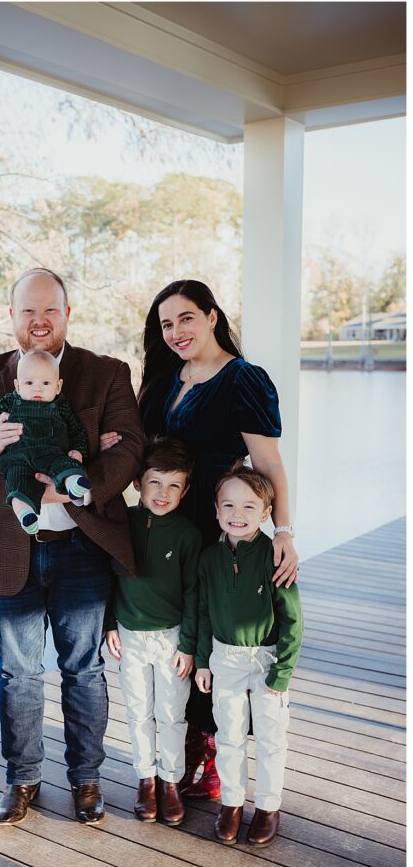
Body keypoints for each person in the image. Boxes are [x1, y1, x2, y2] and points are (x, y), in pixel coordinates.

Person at [0, 267, 144, 826]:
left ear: (67, 313)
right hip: (9, 553)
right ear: (12, 316)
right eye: (28, 310)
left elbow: (130, 447)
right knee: (19, 673)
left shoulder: (105, 374)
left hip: (84, 549)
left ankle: (86, 780)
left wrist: (77, 483)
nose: (39, 321)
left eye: (49, 309)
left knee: (83, 670)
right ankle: (22, 779)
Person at [132, 279, 300, 801]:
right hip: (165, 520)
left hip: (215, 522)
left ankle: (210, 748)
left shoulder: (244, 379)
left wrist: (283, 531)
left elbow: (268, 463)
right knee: (175, 634)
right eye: (166, 324)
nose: (176, 332)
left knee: (209, 630)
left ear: (211, 316)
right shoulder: (165, 378)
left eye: (186, 318)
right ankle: (177, 743)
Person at [195, 462, 303, 847]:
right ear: (216, 510)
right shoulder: (210, 558)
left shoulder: (274, 555)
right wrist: (203, 660)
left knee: (271, 737)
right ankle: (232, 803)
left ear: (266, 513)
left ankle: (268, 807)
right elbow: (203, 612)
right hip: (225, 659)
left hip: (267, 660)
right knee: (230, 735)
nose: (237, 514)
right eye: (228, 505)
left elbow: (293, 621)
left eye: (248, 507)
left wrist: (282, 673)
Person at [105, 438, 201, 827]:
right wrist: (110, 623)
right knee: (138, 711)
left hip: (172, 638)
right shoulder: (122, 523)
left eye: (174, 485)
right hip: (130, 635)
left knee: (172, 714)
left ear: (185, 491)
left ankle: (170, 781)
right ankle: (146, 779)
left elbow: (194, 593)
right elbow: (108, 576)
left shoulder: (188, 535)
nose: (163, 493)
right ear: (137, 483)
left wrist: (189, 645)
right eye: (155, 482)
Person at [0, 349, 91, 535]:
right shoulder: (10, 402)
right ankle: (25, 514)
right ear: (17, 386)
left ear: (58, 386)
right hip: (18, 458)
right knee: (16, 482)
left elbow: (76, 430)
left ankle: (74, 484)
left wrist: (78, 451)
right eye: (29, 383)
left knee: (66, 465)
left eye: (45, 383)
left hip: (52, 454)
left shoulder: (61, 406)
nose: (37, 388)